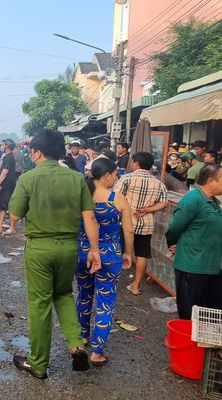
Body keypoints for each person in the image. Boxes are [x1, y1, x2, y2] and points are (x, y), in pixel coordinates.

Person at [7, 129, 101, 379]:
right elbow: (89, 216)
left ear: (37, 152)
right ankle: (76, 345)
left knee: (40, 304)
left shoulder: (29, 178)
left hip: (40, 248)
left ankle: (38, 362)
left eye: (31, 152)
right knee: (64, 295)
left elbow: (15, 215)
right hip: (69, 248)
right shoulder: (76, 178)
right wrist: (94, 250)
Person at [76, 158, 134, 366]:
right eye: (116, 173)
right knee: (105, 302)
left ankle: (82, 337)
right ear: (107, 175)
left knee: (84, 295)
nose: (117, 177)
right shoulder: (117, 199)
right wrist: (128, 253)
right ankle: (97, 352)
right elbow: (128, 229)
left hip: (83, 253)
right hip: (109, 255)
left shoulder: (83, 196)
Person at [166, 164, 222, 319]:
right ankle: (188, 342)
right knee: (192, 312)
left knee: (209, 312)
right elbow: (174, 228)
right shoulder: (193, 199)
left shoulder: (214, 202)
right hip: (193, 267)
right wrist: (173, 245)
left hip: (212, 266)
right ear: (211, 181)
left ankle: (205, 342)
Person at [113, 151, 168, 295]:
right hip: (146, 224)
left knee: (117, 251)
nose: (131, 164)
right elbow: (164, 203)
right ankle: (136, 286)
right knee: (142, 255)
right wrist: (147, 209)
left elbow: (115, 198)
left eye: (132, 161)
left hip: (125, 223)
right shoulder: (158, 183)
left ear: (137, 163)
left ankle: (112, 283)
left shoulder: (126, 179)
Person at [0, 139, 17, 234]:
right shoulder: (8, 157)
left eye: (4, 144)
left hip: (7, 185)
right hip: (6, 185)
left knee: (9, 206)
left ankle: (12, 227)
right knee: (3, 207)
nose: (2, 145)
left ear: (7, 146)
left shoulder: (9, 158)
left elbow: (5, 172)